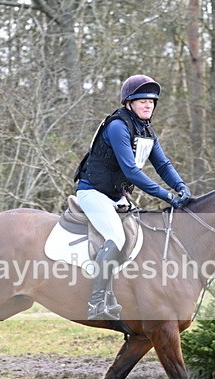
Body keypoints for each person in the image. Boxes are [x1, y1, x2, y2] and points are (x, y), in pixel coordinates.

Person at [75, 74, 191, 321]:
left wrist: (180, 186)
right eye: (142, 101)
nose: (148, 105)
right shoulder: (118, 127)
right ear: (129, 103)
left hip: (115, 195)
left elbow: (162, 164)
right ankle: (96, 303)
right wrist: (167, 196)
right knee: (116, 236)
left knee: (140, 235)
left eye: (151, 101)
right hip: (92, 192)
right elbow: (131, 172)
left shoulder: (146, 130)